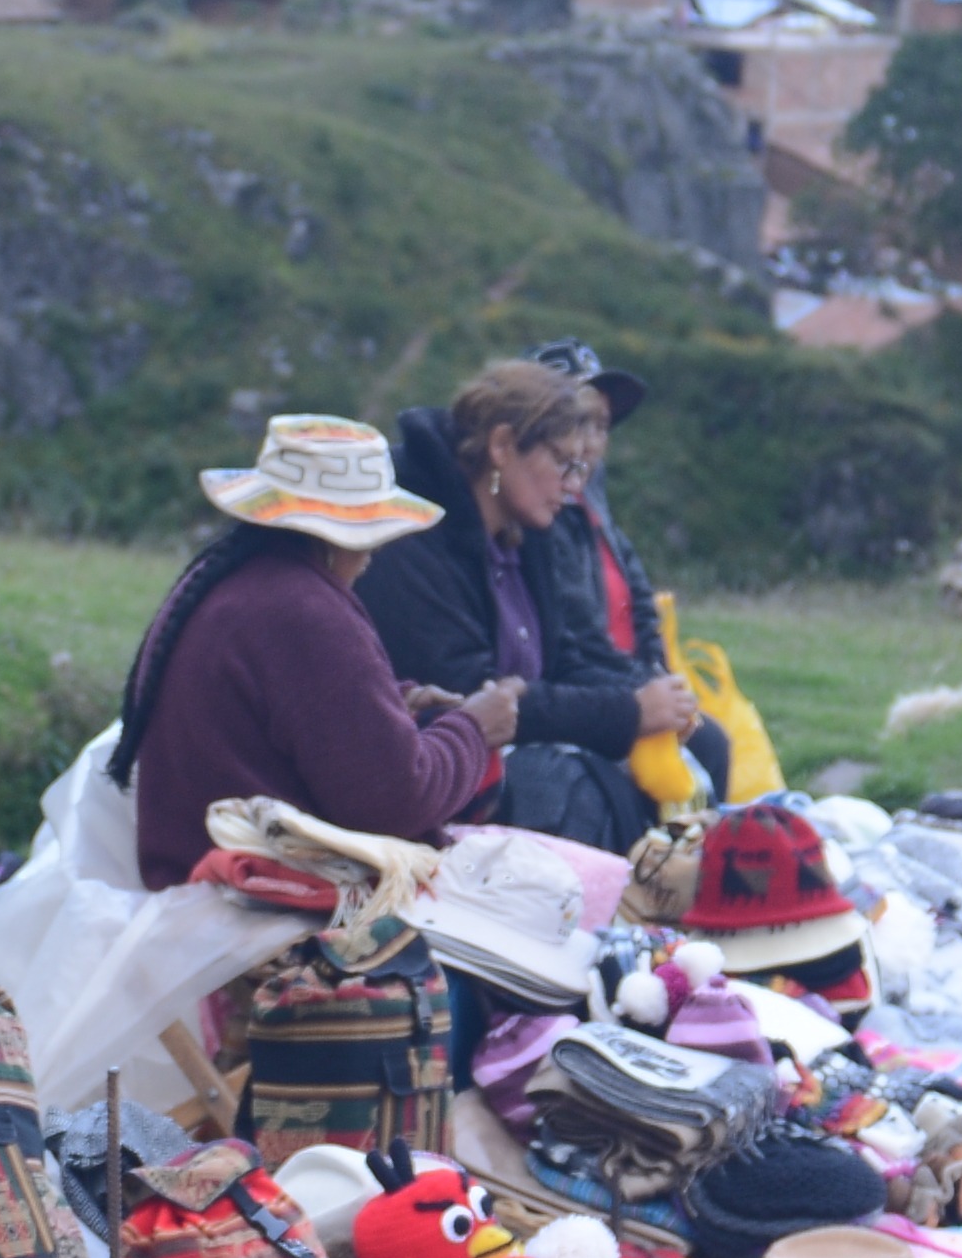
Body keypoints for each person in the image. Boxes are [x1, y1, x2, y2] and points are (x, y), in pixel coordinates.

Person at [103, 414, 499, 888]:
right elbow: (396, 802)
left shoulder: (232, 579)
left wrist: (391, 703)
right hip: (264, 906)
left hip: (207, 888)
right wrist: (475, 728)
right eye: (369, 538)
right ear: (335, 535)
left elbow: (295, 713)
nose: (372, 557)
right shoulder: (304, 611)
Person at [364, 355, 702, 846]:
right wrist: (628, 713)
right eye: (563, 463)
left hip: (500, 766)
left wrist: (654, 697)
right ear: (502, 445)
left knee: (698, 749)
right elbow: (467, 687)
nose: (574, 485)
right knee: (562, 790)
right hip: (434, 782)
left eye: (581, 467)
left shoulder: (523, 530)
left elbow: (564, 657)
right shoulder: (414, 540)